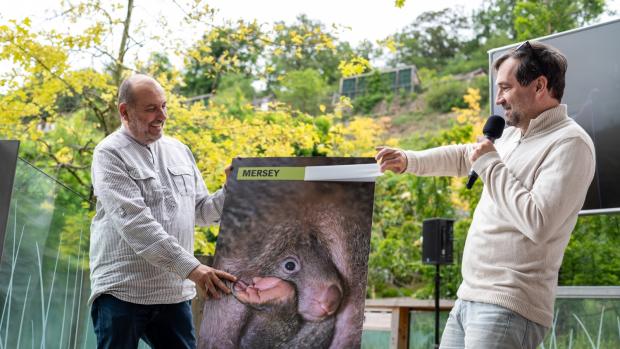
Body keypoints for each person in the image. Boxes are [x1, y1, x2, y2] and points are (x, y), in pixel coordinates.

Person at [375, 41, 595, 348]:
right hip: (469, 298)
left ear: (540, 85)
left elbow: (540, 221)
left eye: (505, 88)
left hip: (508, 305)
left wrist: (490, 164)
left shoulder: (570, 143)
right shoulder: (512, 136)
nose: (499, 99)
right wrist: (409, 160)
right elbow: (466, 155)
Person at [89, 74, 236, 349]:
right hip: (122, 292)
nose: (162, 115)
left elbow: (202, 212)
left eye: (164, 106)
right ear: (124, 111)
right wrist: (193, 269)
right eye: (151, 109)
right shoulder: (108, 154)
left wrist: (231, 190)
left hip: (173, 293)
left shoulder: (180, 150)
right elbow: (136, 224)